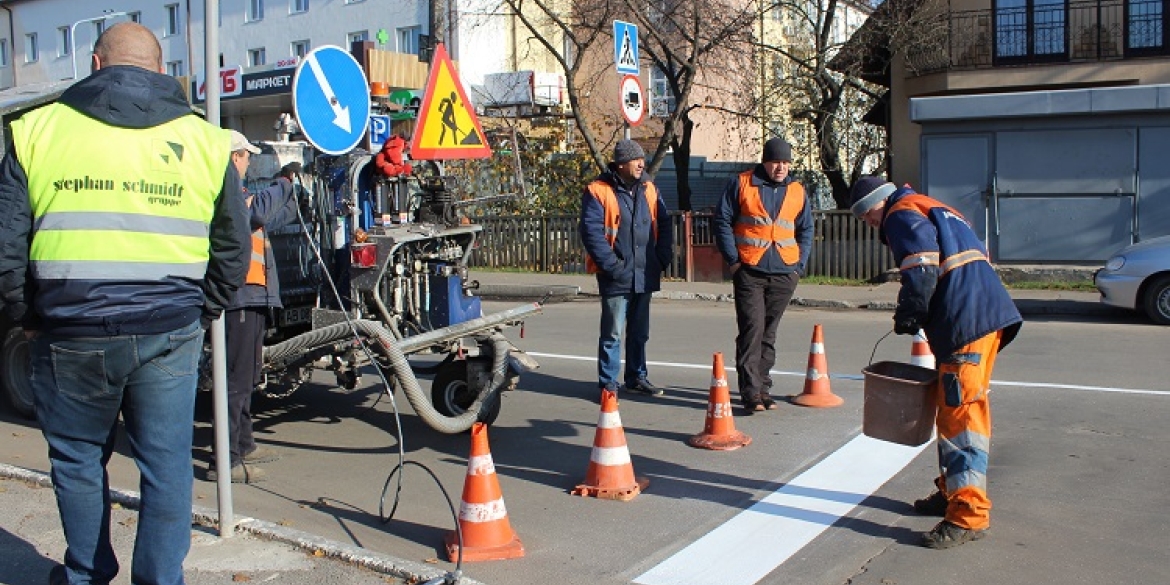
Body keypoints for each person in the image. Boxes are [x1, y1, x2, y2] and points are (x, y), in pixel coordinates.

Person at [0, 22, 250, 585]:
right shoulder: (207, 141)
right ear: (161, 71)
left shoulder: (35, 130)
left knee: (79, 462)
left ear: (95, 63)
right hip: (169, 330)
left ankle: (88, 574)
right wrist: (199, 308)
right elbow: (234, 249)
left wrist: (30, 318)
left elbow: (6, 246)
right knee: (165, 467)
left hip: (71, 332)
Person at [848, 176, 1022, 549]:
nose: (870, 222)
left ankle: (968, 515)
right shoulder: (936, 207)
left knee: (962, 418)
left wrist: (910, 312)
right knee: (953, 408)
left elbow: (922, 268)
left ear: (880, 203)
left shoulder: (900, 213)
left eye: (867, 215)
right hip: (984, 316)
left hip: (966, 322)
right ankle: (951, 490)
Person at [208, 132, 300, 484]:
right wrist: (282, 182)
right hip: (238, 298)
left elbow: (277, 217)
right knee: (234, 381)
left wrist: (293, 190)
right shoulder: (227, 193)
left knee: (246, 378)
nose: (249, 163)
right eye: (247, 157)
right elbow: (260, 209)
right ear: (234, 157)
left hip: (253, 297)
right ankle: (225, 460)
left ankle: (243, 444)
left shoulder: (241, 195)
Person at [714, 138, 813, 413]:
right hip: (750, 271)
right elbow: (721, 220)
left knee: (769, 332)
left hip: (785, 272)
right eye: (775, 162)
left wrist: (799, 265)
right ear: (765, 162)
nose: (780, 167)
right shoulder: (742, 183)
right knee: (751, 330)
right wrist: (734, 261)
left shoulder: (796, 190)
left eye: (785, 162)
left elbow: (806, 229)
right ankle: (750, 392)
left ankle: (763, 387)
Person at [579, 139, 672, 397]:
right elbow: (592, 233)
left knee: (639, 332)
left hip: (645, 272)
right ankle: (609, 384)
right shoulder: (598, 191)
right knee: (613, 334)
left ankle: (637, 377)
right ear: (621, 164)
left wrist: (661, 259)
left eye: (642, 158)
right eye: (636, 159)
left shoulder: (649, 188)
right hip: (616, 275)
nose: (642, 163)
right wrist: (613, 267)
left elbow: (664, 224)